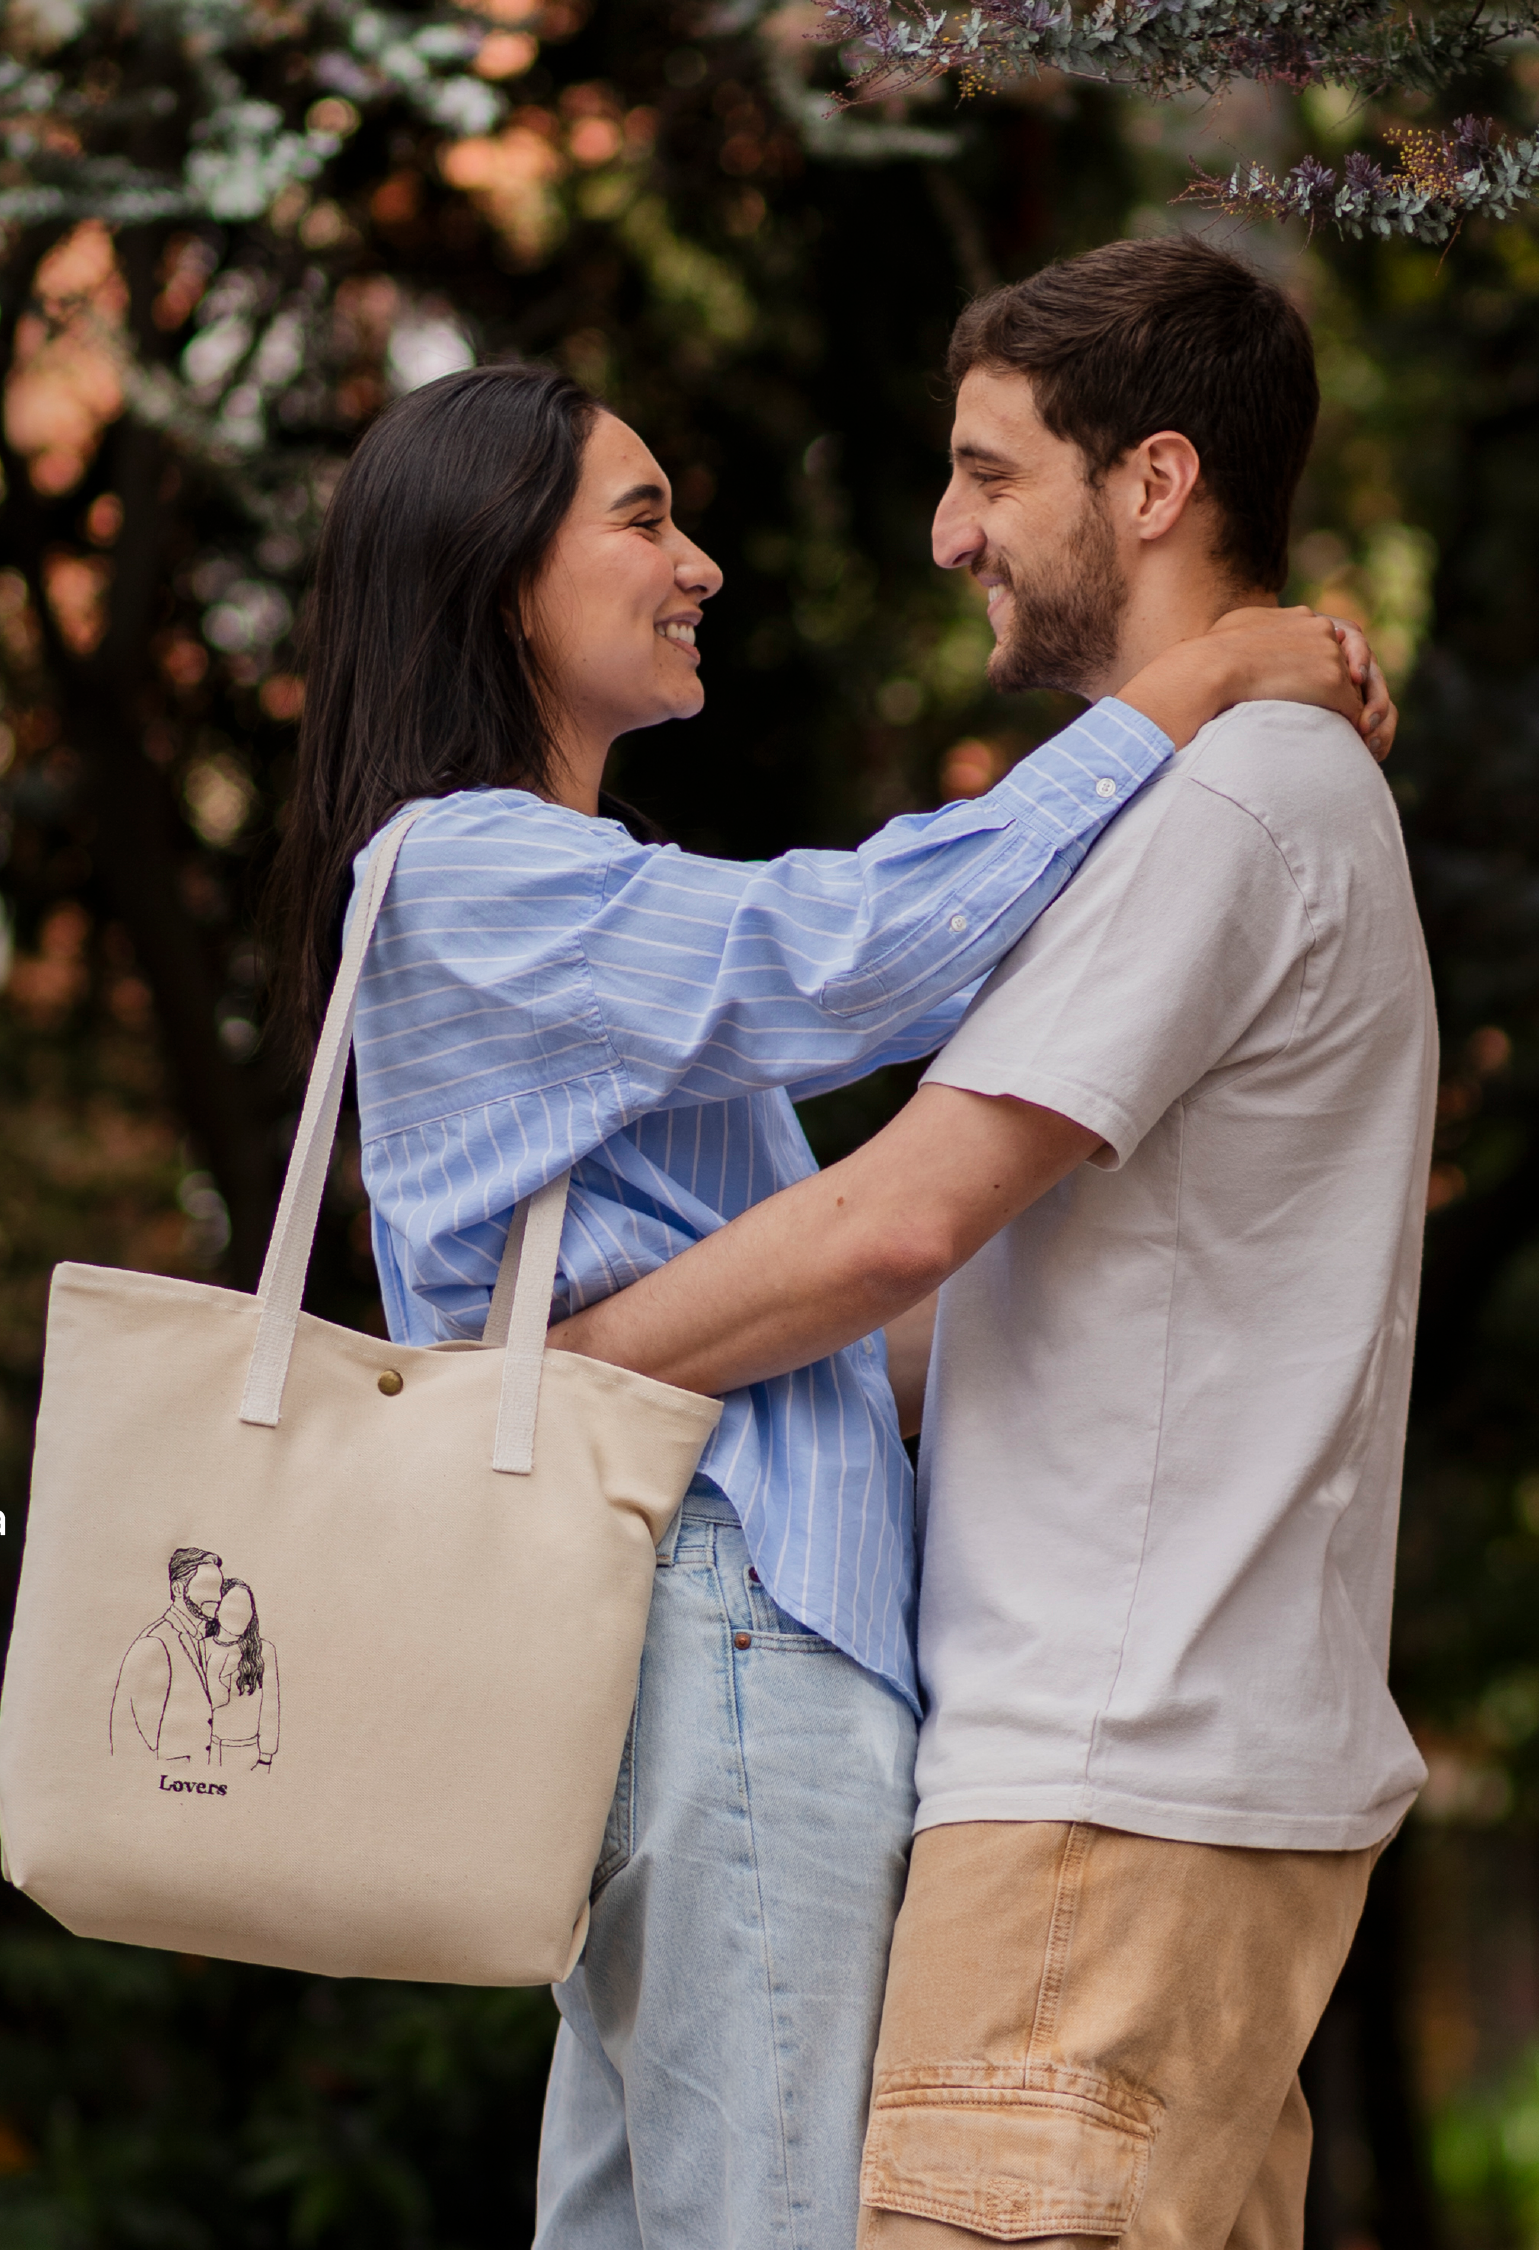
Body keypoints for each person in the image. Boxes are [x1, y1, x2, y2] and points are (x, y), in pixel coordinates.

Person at [266, 356, 1393, 2246]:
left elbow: (805, 1315)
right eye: (641, 521)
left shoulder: (542, 900)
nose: (698, 563)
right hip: (727, 1634)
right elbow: (859, 949)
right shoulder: (481, 875)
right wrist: (1185, 697)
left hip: (667, 1635)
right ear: (495, 575)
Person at [550, 236, 1431, 2245]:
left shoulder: (1226, 810)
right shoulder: (1262, 791)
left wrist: (542, 1380)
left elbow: (899, 1226)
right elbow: (972, 1308)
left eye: (990, 473)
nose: (947, 535)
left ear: (1155, 484)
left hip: (1096, 1797)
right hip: (1184, 1785)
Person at [111, 1546, 223, 1763]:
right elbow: (137, 1736)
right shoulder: (155, 1643)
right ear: (179, 1588)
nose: (217, 1597)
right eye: (208, 1586)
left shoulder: (201, 1640)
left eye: (219, 1588)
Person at [205, 1578, 280, 1771]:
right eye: (232, 1605)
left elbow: (270, 1707)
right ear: (217, 1610)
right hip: (205, 1751)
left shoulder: (263, 1651)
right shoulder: (201, 1647)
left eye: (246, 1607)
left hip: (246, 1754)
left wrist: (265, 1759)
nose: (239, 1614)